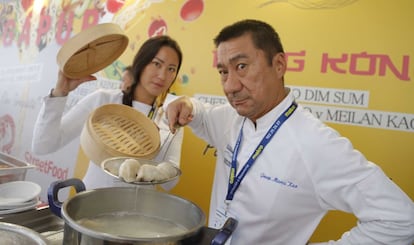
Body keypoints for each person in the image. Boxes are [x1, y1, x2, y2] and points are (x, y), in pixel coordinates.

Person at [166, 19, 414, 244]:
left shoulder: (315, 143)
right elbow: (202, 114)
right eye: (223, 72)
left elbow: (402, 220)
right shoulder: (231, 119)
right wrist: (188, 104)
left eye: (241, 66)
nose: (230, 86)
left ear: (279, 65)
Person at [32, 35, 184, 191]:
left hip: (138, 211)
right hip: (93, 204)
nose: (162, 75)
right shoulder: (103, 100)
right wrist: (60, 92)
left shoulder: (171, 117)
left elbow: (170, 183)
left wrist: (155, 144)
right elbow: (43, 145)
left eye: (171, 69)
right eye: (157, 64)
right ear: (141, 63)